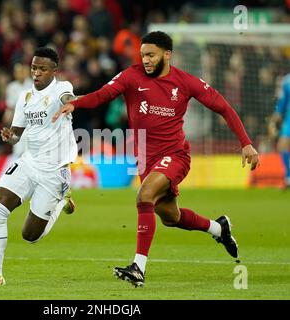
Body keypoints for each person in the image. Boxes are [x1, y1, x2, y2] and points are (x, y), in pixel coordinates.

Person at [53, 31, 259, 287]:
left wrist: (246, 143)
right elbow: (104, 94)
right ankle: (219, 229)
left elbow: (223, 107)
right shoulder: (131, 75)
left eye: (151, 55)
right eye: (143, 55)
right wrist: (77, 103)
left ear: (167, 54)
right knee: (170, 217)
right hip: (146, 161)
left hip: (175, 156)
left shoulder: (185, 82)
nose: (146, 60)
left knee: (144, 195)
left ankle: (138, 268)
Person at [0, 47, 77, 286]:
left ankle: (62, 200)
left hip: (55, 170)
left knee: (30, 236)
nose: (36, 73)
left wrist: (69, 104)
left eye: (42, 68)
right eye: (34, 68)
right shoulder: (24, 97)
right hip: (29, 162)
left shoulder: (62, 88)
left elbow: (67, 99)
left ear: (54, 70)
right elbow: (16, 136)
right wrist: (9, 135)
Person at [2, 63, 33, 157]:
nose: (19, 73)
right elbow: (10, 107)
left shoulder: (33, 85)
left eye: (21, 71)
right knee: (18, 152)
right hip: (18, 124)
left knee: (32, 151)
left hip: (32, 122)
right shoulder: (11, 87)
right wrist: (7, 117)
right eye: (17, 72)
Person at [268, 73, 290, 188]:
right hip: (289, 119)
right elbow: (282, 104)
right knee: (282, 146)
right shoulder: (286, 81)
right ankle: (288, 178)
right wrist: (272, 122)